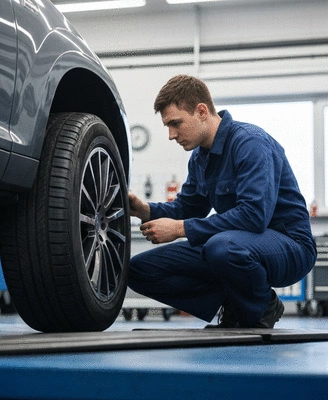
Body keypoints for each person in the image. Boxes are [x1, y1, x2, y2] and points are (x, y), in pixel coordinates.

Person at [128, 74, 316, 328]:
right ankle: (234, 301)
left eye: (176, 123)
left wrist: (179, 229)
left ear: (202, 111)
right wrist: (144, 210)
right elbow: (188, 207)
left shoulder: (250, 143)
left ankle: (260, 308)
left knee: (221, 247)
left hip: (289, 246)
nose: (172, 135)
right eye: (167, 127)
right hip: (235, 244)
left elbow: (253, 216)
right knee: (138, 270)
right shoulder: (199, 158)